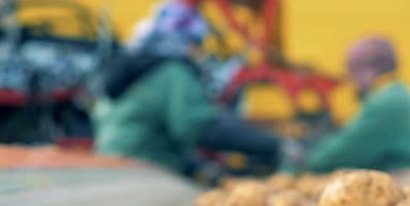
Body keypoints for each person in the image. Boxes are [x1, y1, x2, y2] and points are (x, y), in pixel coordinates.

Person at [93, 0, 290, 174]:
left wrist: (194, 165)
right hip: (146, 169)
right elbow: (199, 126)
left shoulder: (137, 66)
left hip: (112, 163)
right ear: (186, 42)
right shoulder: (174, 72)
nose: (200, 52)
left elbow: (147, 128)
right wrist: (274, 146)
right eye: (198, 44)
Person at [294, 37, 410, 173]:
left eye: (351, 74)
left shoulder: (387, 104)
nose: (351, 84)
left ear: (362, 72)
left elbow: (344, 151)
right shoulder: (402, 93)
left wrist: (305, 159)